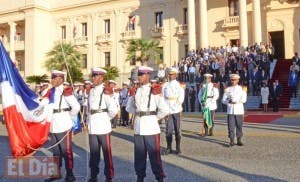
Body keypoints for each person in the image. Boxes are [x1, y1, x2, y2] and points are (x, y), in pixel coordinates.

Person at [126, 66, 168, 182]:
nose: (139, 77)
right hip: (139, 127)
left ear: (148, 76)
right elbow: (129, 108)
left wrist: (153, 118)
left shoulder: (154, 90)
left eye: (141, 75)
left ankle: (159, 178)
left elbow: (164, 109)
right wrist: (140, 114)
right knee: (139, 156)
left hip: (151, 128)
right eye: (139, 75)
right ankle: (140, 177)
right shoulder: (136, 90)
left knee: (154, 156)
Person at [43, 70, 80, 182]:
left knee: (66, 151)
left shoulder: (66, 91)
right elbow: (43, 104)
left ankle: (70, 174)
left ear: (60, 79)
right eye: (52, 78)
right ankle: (56, 173)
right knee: (55, 151)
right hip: (53, 125)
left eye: (54, 78)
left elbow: (76, 107)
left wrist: (68, 116)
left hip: (64, 125)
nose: (52, 80)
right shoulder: (50, 92)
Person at [87, 68, 118, 182]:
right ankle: (93, 175)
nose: (93, 78)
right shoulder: (91, 91)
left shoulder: (106, 91)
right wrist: (87, 122)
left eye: (96, 76)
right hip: (93, 127)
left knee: (107, 153)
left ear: (102, 78)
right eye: (93, 76)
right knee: (94, 153)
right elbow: (88, 110)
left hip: (103, 127)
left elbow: (113, 110)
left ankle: (109, 176)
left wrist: (105, 119)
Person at [162, 68, 185, 155]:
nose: (170, 76)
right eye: (170, 74)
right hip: (168, 110)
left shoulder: (178, 85)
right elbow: (163, 97)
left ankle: (178, 147)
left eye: (172, 74)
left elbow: (181, 97)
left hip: (176, 109)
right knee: (168, 129)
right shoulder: (165, 85)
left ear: (176, 75)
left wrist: (176, 105)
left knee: (177, 129)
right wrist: (165, 108)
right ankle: (169, 147)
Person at [222, 74, 247, 147]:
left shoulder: (242, 89)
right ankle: (231, 141)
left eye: (234, 80)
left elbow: (244, 100)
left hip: (239, 110)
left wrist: (235, 101)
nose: (233, 81)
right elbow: (223, 100)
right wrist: (228, 101)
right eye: (232, 80)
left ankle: (239, 140)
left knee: (239, 125)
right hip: (230, 110)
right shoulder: (228, 89)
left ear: (238, 80)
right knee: (231, 126)